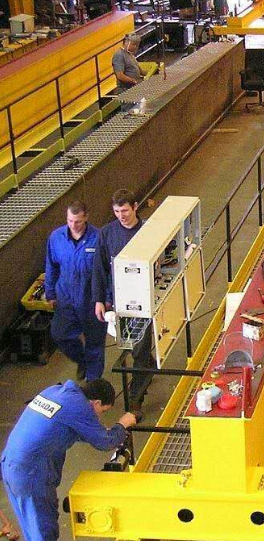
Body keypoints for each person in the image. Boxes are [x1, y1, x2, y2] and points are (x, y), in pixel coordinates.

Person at [1, 379, 136, 541]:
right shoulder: (79, 406)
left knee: (33, 527)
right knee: (44, 531)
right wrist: (122, 424)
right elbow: (105, 442)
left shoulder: (54, 392)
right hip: (31, 475)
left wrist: (96, 432)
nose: (99, 416)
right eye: (103, 411)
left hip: (11, 466)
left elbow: (61, 430)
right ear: (96, 402)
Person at [91, 190, 151, 419]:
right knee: (133, 345)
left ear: (135, 206)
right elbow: (99, 268)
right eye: (116, 211)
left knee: (139, 349)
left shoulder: (147, 231)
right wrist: (99, 299)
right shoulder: (107, 233)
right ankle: (148, 365)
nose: (121, 216)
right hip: (121, 301)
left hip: (145, 300)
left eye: (124, 210)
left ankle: (136, 399)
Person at [44, 201, 107, 382]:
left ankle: (92, 385)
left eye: (78, 221)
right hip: (66, 299)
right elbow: (51, 266)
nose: (73, 225)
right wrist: (50, 293)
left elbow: (107, 271)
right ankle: (83, 360)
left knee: (95, 343)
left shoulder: (99, 238)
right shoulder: (56, 238)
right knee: (60, 335)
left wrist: (107, 298)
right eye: (70, 221)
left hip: (92, 300)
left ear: (86, 217)